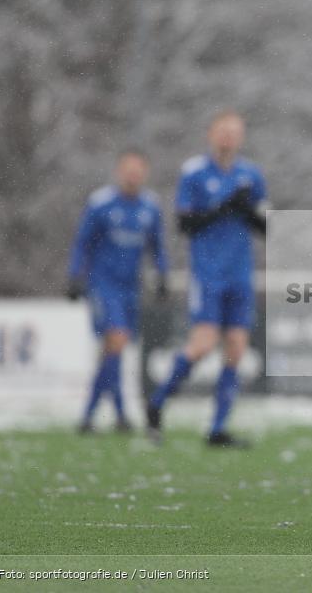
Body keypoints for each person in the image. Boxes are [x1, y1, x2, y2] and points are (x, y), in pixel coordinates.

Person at [146, 110, 267, 448]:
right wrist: (225, 206)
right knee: (201, 345)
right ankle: (156, 403)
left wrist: (248, 211)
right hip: (208, 274)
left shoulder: (251, 175)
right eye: (223, 131)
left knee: (236, 349)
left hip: (241, 274)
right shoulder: (195, 173)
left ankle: (217, 428)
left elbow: (266, 227)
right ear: (211, 135)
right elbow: (185, 224)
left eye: (234, 131)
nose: (228, 137)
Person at [68, 149, 168, 434]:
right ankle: (119, 413)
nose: (133, 175)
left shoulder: (150, 206)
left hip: (130, 288)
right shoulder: (101, 203)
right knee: (118, 340)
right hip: (102, 285)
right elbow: (82, 242)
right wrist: (75, 276)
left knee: (114, 351)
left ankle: (93, 416)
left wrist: (162, 275)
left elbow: (157, 245)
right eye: (128, 169)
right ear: (119, 171)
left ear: (145, 173)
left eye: (138, 170)